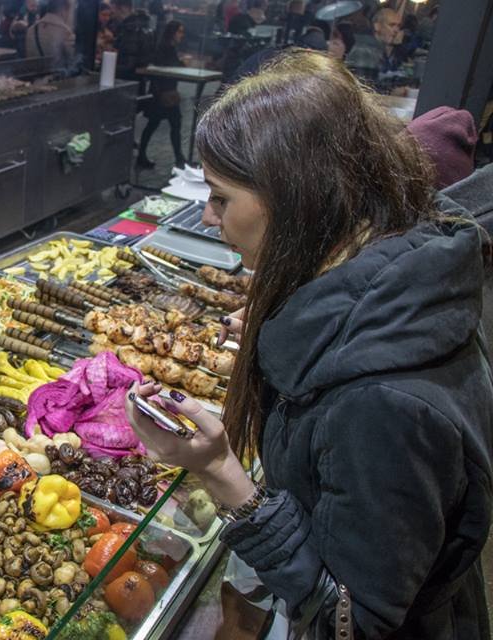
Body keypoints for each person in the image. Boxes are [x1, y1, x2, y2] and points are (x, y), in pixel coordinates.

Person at [126, 51, 492, 639]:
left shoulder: (381, 400)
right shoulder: (398, 272)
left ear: (297, 200)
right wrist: (297, 318)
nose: (208, 214)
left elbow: (352, 624)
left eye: (222, 197)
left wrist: (221, 471)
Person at [136, 20, 186, 170]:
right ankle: (178, 159)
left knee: (159, 124)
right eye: (179, 31)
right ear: (172, 32)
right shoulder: (165, 48)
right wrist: (181, 63)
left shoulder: (168, 47)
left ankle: (177, 158)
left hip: (164, 91)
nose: (181, 35)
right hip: (162, 92)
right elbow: (166, 66)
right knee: (167, 124)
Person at [345, 7, 401, 80]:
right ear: (377, 26)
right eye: (391, 25)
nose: (396, 30)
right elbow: (362, 85)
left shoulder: (380, 48)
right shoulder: (364, 50)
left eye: (398, 26)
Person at [112, 0, 154, 84]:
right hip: (139, 80)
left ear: (123, 8)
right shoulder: (144, 26)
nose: (113, 14)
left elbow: (129, 63)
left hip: (127, 81)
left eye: (114, 10)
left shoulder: (130, 29)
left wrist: (105, 67)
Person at [25, 0, 76, 69]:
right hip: (56, 79)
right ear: (63, 10)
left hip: (32, 78)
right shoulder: (66, 33)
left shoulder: (30, 30)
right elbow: (74, 63)